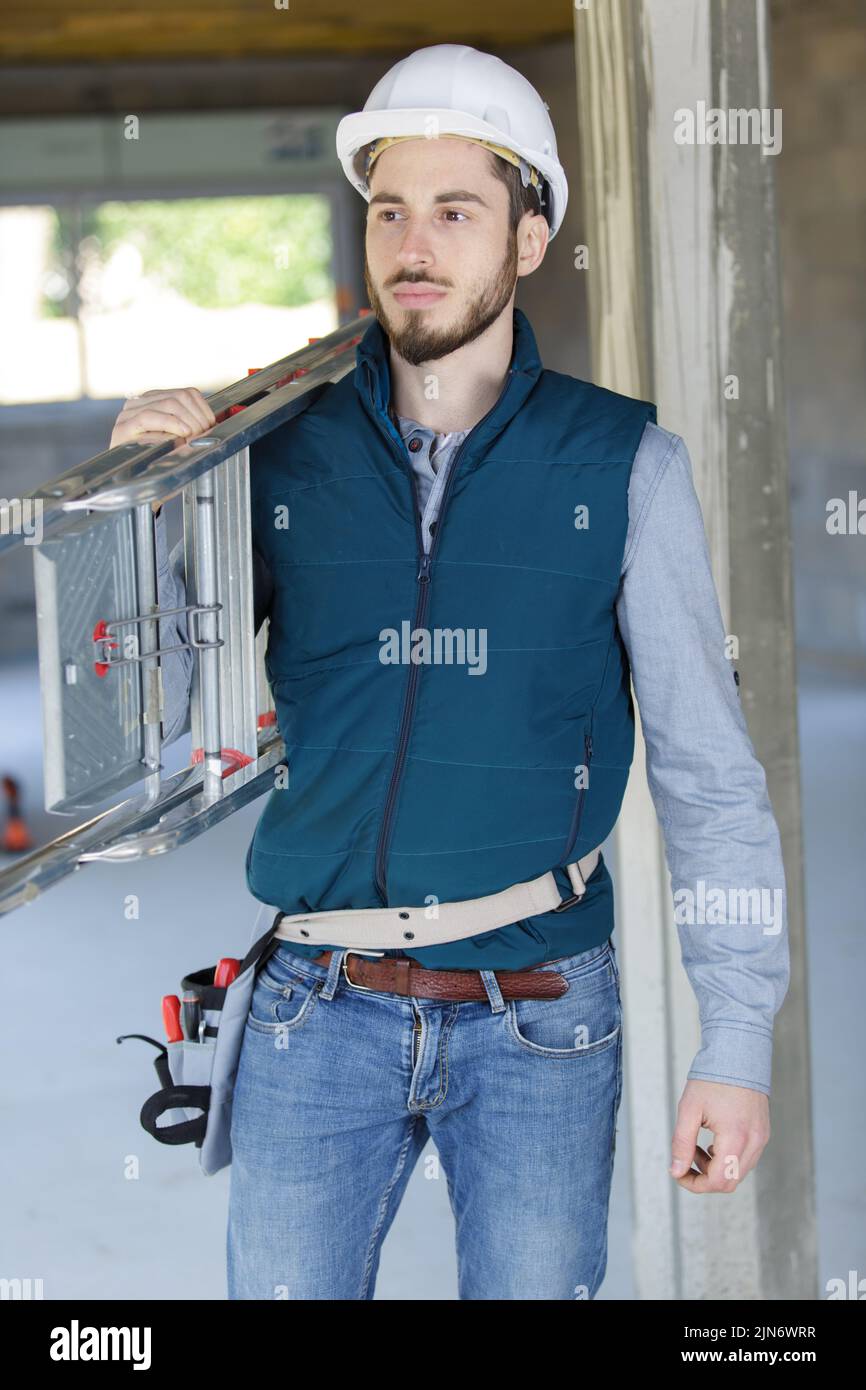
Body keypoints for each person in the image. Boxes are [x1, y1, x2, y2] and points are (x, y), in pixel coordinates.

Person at [109, 44, 789, 1301]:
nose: (412, 243)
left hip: (541, 1018)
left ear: (529, 239)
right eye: (389, 210)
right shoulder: (277, 450)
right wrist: (146, 510)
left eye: (456, 211)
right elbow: (151, 711)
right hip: (317, 1007)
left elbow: (706, 772)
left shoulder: (621, 464)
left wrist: (735, 1037)